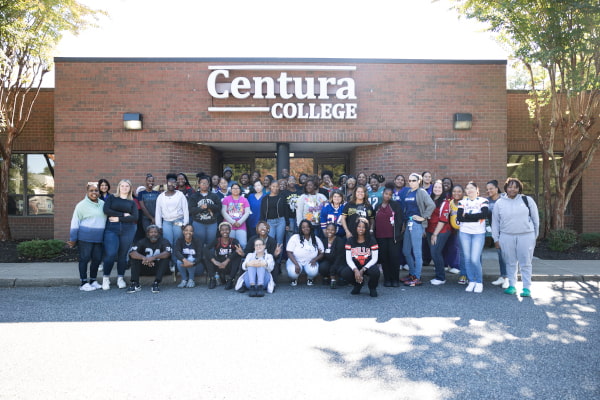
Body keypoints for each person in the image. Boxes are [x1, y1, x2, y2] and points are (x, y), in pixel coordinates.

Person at [492, 178, 540, 297]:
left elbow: (535, 219)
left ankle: (526, 288)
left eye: (515, 187)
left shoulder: (527, 200)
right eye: (510, 187)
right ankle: (512, 285)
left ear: (519, 189)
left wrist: (534, 236)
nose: (512, 189)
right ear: (506, 188)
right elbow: (495, 223)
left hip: (526, 235)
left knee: (526, 262)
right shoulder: (499, 203)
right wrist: (496, 239)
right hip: (506, 236)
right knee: (510, 262)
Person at [67, 182, 107, 291]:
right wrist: (73, 238)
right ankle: (83, 283)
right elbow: (75, 222)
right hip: (85, 238)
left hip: (99, 238)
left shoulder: (103, 204)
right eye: (91, 190)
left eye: (96, 190)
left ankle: (93, 281)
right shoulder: (81, 205)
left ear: (99, 192)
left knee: (97, 259)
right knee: (84, 259)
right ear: (87, 192)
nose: (94, 193)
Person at [101, 179, 139, 290]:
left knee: (123, 256)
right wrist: (123, 215)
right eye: (122, 186)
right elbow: (106, 210)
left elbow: (135, 217)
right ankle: (106, 278)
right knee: (111, 254)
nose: (124, 188)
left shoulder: (132, 202)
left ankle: (120, 278)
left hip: (128, 230)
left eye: (127, 186)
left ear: (130, 188)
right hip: (111, 230)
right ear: (119, 187)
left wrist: (118, 218)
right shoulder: (112, 198)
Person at [401, 173, 435, 287]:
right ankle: (412, 273)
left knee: (417, 252)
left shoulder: (421, 192)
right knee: (406, 251)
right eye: (409, 180)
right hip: (408, 223)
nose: (411, 182)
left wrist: (423, 217)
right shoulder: (408, 192)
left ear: (419, 181)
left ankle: (417, 277)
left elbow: (431, 205)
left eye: (414, 180)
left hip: (416, 224)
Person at [457, 181, 489, 293]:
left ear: (477, 190)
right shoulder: (462, 202)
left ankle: (479, 282)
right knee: (467, 258)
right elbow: (460, 218)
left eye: (472, 188)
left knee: (475, 259)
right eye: (467, 188)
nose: (469, 190)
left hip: (478, 233)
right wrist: (476, 217)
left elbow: (484, 215)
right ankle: (471, 281)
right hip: (464, 232)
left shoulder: (483, 201)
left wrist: (468, 216)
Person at [155, 173, 189, 269]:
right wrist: (159, 226)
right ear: (166, 183)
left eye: (174, 183)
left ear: (176, 184)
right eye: (169, 183)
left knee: (177, 241)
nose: (171, 185)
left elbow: (185, 209)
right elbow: (158, 212)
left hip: (178, 221)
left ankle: (177, 261)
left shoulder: (180, 195)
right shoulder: (161, 196)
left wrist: (185, 223)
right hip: (166, 222)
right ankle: (170, 263)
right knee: (168, 242)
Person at [340, 218, 380, 297]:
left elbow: (374, 259)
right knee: (345, 273)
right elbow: (348, 259)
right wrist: (355, 270)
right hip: (356, 266)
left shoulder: (372, 240)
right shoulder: (350, 240)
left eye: (363, 227)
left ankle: (372, 288)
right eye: (359, 226)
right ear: (355, 227)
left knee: (375, 271)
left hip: (368, 266)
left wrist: (363, 269)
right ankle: (358, 285)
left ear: (366, 229)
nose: (361, 229)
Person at [126, 225, 172, 293]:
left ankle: (156, 283)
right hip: (144, 267)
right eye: (151, 232)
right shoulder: (142, 241)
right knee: (134, 259)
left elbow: (167, 253)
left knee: (165, 259)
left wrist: (153, 258)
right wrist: (145, 258)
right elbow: (132, 253)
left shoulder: (164, 241)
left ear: (159, 234)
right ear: (147, 234)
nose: (153, 234)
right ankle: (135, 283)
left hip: (158, 269)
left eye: (155, 232)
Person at [374, 185, 403, 287]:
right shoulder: (377, 206)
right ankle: (387, 279)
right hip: (380, 237)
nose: (388, 196)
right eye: (386, 194)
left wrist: (398, 235)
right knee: (384, 258)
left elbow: (400, 221)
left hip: (393, 237)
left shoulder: (395, 205)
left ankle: (395, 280)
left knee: (394, 258)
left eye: (390, 195)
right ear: (383, 194)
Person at [426, 180, 452, 285]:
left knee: (435, 252)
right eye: (435, 187)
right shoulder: (429, 199)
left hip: (441, 230)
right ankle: (438, 273)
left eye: (439, 187)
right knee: (434, 253)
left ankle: (441, 278)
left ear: (443, 190)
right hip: (429, 229)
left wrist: (435, 234)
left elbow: (443, 220)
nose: (437, 189)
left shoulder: (445, 202)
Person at [205, 222, 245, 289]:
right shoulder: (217, 240)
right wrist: (215, 261)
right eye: (222, 230)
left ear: (230, 231)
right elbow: (205, 249)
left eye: (227, 229)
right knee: (207, 255)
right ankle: (212, 279)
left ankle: (230, 280)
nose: (225, 231)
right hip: (219, 265)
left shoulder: (234, 241)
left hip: (229, 266)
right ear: (220, 231)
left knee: (237, 254)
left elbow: (239, 251)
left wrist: (227, 261)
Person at [286, 219, 324, 286]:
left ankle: (310, 278)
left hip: (309, 261)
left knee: (313, 271)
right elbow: (289, 252)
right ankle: (294, 278)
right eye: (303, 227)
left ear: (310, 228)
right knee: (293, 273)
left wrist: (315, 259)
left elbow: (322, 253)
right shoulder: (295, 237)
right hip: (295, 261)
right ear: (300, 228)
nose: (305, 228)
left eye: (307, 226)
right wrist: (296, 264)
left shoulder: (315, 238)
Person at [486, 179, 509, 289]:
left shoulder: (505, 198)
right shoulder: (487, 201)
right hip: (495, 231)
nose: (489, 191)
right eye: (487, 189)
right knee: (500, 254)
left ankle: (508, 278)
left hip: (506, 231)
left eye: (491, 188)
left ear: (496, 188)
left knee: (507, 255)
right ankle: (503, 276)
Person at [189, 174, 221, 249]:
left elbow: (219, 207)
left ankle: (210, 260)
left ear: (209, 184)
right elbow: (191, 210)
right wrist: (201, 208)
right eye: (202, 183)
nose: (204, 185)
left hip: (212, 223)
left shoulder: (214, 196)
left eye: (206, 183)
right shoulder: (194, 196)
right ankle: (200, 260)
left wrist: (208, 206)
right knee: (199, 244)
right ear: (199, 184)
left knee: (211, 244)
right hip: (198, 223)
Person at [221, 183, 251, 249]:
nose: (235, 190)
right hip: (229, 225)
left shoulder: (244, 200)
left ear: (240, 190)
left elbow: (247, 212)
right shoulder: (226, 199)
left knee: (243, 244)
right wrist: (233, 222)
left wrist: (239, 222)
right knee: (230, 244)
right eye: (233, 188)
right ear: (231, 190)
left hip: (241, 225)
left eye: (237, 188)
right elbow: (223, 212)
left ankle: (241, 258)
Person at [174, 224, 204, 288]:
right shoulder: (180, 240)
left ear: (193, 233)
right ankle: (184, 280)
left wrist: (192, 263)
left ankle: (191, 280)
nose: (188, 232)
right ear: (183, 232)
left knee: (190, 259)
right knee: (179, 261)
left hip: (196, 267)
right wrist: (184, 260)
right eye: (186, 230)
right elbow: (177, 252)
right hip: (184, 267)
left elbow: (200, 256)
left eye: (191, 231)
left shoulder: (197, 241)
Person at [260, 180, 289, 247]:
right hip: (269, 222)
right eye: (273, 186)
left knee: (279, 242)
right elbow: (262, 211)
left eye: (277, 186)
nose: (275, 188)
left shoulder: (282, 197)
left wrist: (287, 223)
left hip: (280, 221)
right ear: (270, 186)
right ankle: (271, 257)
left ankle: (279, 257)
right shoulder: (265, 198)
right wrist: (262, 223)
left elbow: (286, 210)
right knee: (270, 240)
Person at [319, 223, 346, 288]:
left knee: (339, 268)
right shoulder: (324, 240)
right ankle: (326, 277)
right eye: (328, 229)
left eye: (332, 230)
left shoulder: (340, 241)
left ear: (335, 231)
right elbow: (323, 255)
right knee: (323, 267)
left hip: (338, 262)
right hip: (328, 261)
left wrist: (332, 270)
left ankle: (339, 279)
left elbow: (340, 257)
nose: (330, 231)